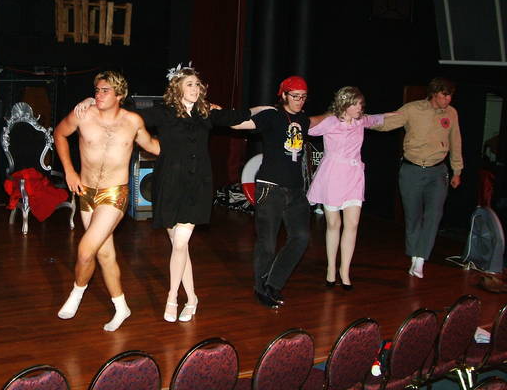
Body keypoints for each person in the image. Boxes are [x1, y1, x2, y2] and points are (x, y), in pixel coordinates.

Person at [75, 63, 255, 322]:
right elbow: (125, 113)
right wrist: (92, 101)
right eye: (190, 84)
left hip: (197, 186)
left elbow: (239, 117)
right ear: (177, 88)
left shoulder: (207, 113)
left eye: (198, 84)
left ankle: (172, 298)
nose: (196, 88)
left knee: (180, 244)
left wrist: (272, 112)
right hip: (169, 185)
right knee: (180, 247)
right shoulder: (163, 113)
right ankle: (192, 299)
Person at [54, 71, 159, 331]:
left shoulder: (132, 121)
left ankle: (76, 293)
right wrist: (69, 171)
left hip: (115, 194)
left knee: (85, 250)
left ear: (120, 95)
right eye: (97, 90)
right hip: (86, 192)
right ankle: (122, 307)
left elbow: (153, 146)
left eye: (105, 91)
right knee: (104, 253)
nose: (98, 95)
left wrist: (186, 141)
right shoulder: (83, 114)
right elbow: (59, 134)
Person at [232, 76, 327, 308]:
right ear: (283, 95)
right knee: (267, 242)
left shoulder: (302, 119)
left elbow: (315, 120)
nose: (299, 101)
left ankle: (273, 282)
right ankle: (260, 288)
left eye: (303, 97)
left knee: (301, 237)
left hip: (295, 190)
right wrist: (222, 113)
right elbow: (238, 124)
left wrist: (335, 113)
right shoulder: (272, 116)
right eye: (295, 96)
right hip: (270, 188)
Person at [306, 86, 397, 290]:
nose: (359, 108)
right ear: (345, 104)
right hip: (332, 176)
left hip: (354, 176)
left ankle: (344, 271)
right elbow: (308, 127)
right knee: (333, 224)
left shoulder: (360, 120)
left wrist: (396, 114)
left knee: (353, 224)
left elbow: (375, 119)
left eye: (361, 104)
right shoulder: (331, 121)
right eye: (355, 104)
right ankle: (331, 268)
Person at [374, 77, 463, 278]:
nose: (448, 99)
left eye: (450, 96)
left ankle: (421, 258)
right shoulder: (412, 109)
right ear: (434, 93)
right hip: (412, 170)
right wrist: (361, 120)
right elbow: (387, 123)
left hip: (437, 172)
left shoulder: (451, 113)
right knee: (413, 216)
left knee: (434, 215)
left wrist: (457, 171)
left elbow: (456, 141)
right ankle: (414, 255)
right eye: (444, 95)